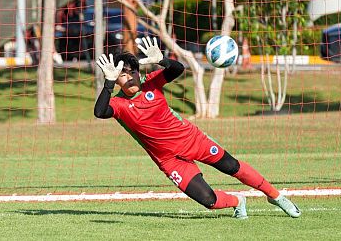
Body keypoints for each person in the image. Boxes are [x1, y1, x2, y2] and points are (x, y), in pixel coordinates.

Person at [94, 36, 301, 219]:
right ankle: (238, 201)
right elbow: (99, 112)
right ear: (117, 79)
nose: (130, 77)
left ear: (139, 72)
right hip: (169, 160)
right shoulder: (119, 104)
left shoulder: (151, 83)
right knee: (208, 201)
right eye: (123, 75)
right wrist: (108, 84)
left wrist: (162, 60)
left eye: (133, 72)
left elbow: (178, 69)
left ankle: (276, 196)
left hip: (193, 140)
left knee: (232, 167)